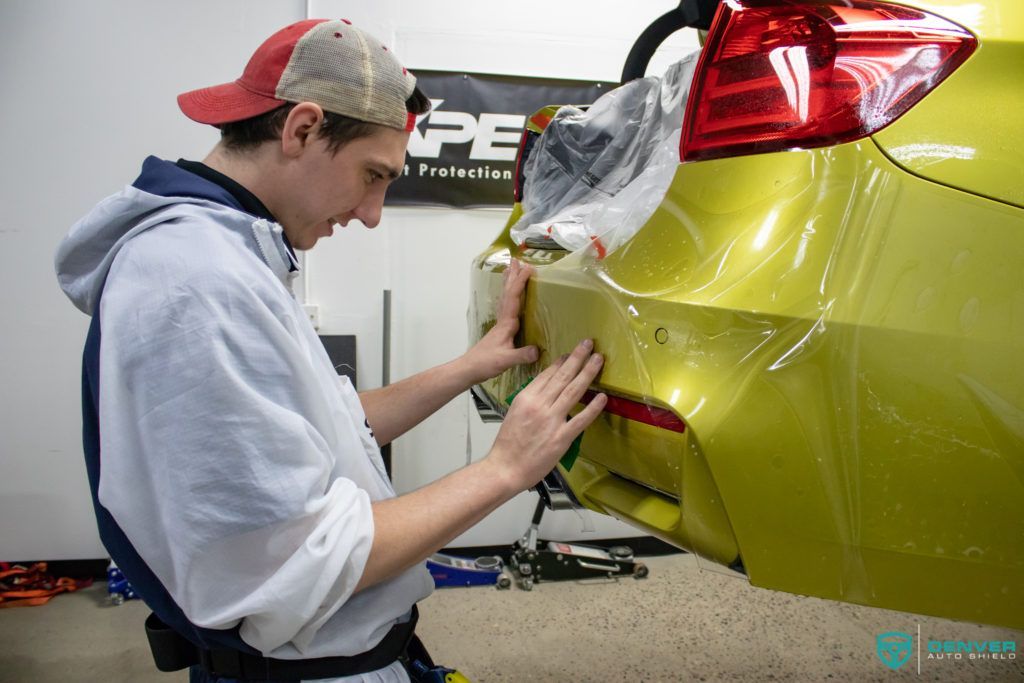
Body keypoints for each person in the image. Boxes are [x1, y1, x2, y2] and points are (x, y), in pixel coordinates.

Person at [54, 17, 607, 683]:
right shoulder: (196, 281)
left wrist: (471, 366)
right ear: (303, 129)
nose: (372, 213)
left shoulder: (231, 254)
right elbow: (304, 559)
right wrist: (504, 469)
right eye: (373, 175)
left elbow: (332, 425)